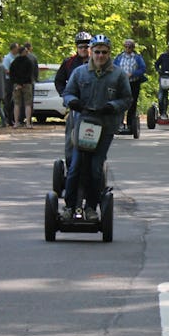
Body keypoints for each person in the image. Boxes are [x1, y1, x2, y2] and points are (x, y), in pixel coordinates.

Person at [61, 34, 132, 221]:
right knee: (75, 166)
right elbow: (67, 93)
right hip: (82, 124)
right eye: (97, 52)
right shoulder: (80, 73)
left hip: (105, 127)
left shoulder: (117, 74)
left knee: (95, 168)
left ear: (109, 53)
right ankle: (69, 206)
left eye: (104, 52)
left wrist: (112, 106)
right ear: (91, 52)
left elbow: (127, 99)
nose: (100, 56)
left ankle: (92, 207)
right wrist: (73, 102)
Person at [56, 32, 92, 163]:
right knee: (71, 136)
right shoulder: (69, 62)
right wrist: (65, 96)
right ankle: (70, 162)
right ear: (77, 48)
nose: (83, 49)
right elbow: (59, 81)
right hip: (74, 105)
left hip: (92, 105)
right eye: (81, 47)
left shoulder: (97, 61)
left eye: (86, 46)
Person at [113, 38, 147, 131]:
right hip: (121, 83)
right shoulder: (119, 57)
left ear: (133, 47)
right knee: (121, 102)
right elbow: (113, 67)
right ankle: (119, 123)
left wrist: (132, 74)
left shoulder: (137, 57)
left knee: (132, 103)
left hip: (134, 83)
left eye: (130, 47)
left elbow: (143, 69)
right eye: (126, 46)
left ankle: (130, 124)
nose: (128, 48)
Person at [8, 44, 38, 128]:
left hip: (17, 85)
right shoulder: (29, 62)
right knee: (28, 104)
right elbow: (30, 74)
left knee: (17, 104)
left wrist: (17, 83)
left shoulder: (14, 62)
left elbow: (11, 74)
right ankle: (28, 122)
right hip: (27, 84)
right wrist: (22, 83)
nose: (28, 52)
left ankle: (16, 122)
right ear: (23, 52)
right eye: (26, 51)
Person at [2, 42, 20, 126]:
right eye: (17, 48)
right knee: (8, 100)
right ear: (13, 49)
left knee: (14, 100)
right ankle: (7, 118)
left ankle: (12, 118)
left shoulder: (16, 58)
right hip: (8, 81)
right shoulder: (7, 58)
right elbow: (5, 70)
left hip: (14, 81)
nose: (18, 49)